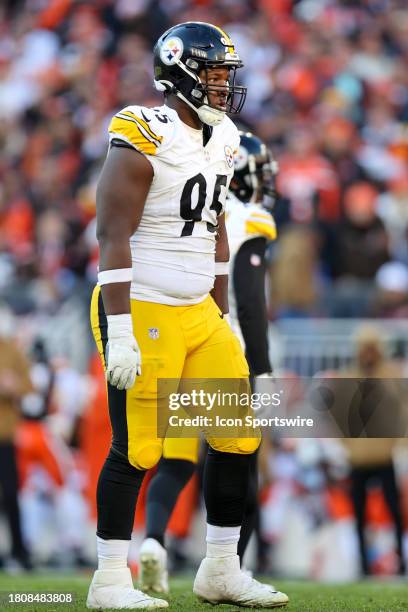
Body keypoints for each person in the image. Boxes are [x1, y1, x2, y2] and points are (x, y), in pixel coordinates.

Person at [86, 21, 288, 610]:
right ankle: (107, 581)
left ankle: (220, 569)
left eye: (228, 75)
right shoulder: (144, 130)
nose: (225, 87)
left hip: (199, 310)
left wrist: (221, 313)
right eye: (215, 74)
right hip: (142, 306)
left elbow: (216, 228)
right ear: (180, 73)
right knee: (139, 449)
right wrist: (120, 330)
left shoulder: (225, 136)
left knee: (238, 436)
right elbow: (111, 232)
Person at [138, 132, 279, 594]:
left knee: (176, 464)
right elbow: (252, 305)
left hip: (179, 345)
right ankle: (227, 571)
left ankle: (154, 541)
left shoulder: (194, 205)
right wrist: (264, 371)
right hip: (224, 354)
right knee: (239, 464)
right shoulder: (247, 219)